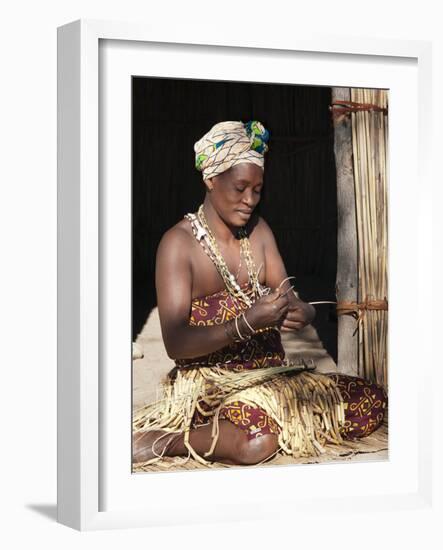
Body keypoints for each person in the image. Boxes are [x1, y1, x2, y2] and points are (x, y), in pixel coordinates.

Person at [133, 120, 387, 467]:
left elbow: (290, 295)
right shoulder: (178, 245)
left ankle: (253, 425)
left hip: (272, 381)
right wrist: (245, 324)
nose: (250, 200)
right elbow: (176, 342)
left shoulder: (259, 232)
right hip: (213, 387)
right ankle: (172, 439)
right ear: (210, 179)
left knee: (370, 400)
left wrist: (303, 312)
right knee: (256, 442)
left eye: (257, 189)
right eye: (240, 188)